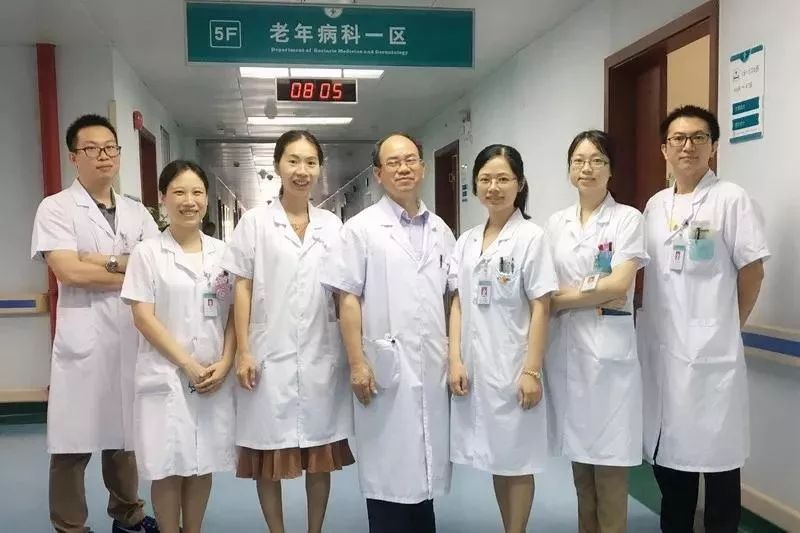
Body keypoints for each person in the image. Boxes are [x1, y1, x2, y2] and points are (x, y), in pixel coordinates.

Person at [639, 105, 769, 532]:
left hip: (712, 355)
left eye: (698, 137)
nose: (687, 146)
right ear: (664, 149)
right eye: (678, 138)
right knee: (671, 464)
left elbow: (753, 270)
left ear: (713, 146)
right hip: (664, 353)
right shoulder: (655, 205)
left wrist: (728, 325)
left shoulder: (731, 198)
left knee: (719, 465)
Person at [30, 114, 160, 533]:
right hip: (83, 341)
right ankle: (70, 525)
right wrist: (126, 266)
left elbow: (154, 269)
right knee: (72, 442)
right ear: (74, 157)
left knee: (124, 437)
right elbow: (69, 272)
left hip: (128, 336)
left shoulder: (137, 211)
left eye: (110, 148)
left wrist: (98, 260)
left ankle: (129, 515)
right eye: (92, 148)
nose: (104, 156)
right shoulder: (55, 208)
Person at [320, 132, 455, 533]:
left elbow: (452, 297)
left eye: (410, 160)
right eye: (393, 162)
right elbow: (347, 299)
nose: (403, 168)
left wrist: (454, 355)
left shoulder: (441, 230)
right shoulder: (361, 229)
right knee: (389, 470)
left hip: (430, 363)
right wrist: (357, 363)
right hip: (382, 366)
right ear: (378, 174)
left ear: (423, 168)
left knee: (425, 467)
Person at [221, 130, 354, 533]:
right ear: (277, 165)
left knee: (320, 454)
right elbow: (242, 287)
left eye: (310, 162)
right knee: (268, 454)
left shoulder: (332, 225)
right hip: (268, 352)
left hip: (319, 351)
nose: (302, 170)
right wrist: (244, 350)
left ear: (319, 168)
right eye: (293, 161)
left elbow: (344, 292)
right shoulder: (255, 223)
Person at [120, 160, 236, 533]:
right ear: (163, 198)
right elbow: (143, 317)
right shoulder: (147, 253)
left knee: (202, 463)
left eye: (197, 192)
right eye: (179, 192)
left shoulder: (224, 253)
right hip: (166, 374)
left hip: (212, 375)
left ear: (207, 198)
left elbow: (234, 314)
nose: (189, 201)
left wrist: (226, 361)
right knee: (167, 465)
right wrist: (187, 364)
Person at [448, 144, 558, 533]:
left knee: (517, 460)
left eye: (503, 179)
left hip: (514, 364)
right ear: (475, 185)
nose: (493, 187)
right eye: (485, 179)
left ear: (519, 184)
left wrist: (531, 371)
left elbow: (542, 305)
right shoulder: (465, 240)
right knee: (498, 458)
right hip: (476, 366)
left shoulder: (531, 237)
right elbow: (458, 302)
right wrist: (455, 359)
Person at [545, 130, 648, 533]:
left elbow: (619, 285)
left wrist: (563, 300)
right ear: (569, 170)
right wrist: (591, 294)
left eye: (597, 160)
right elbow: (545, 288)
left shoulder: (627, 219)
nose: (587, 168)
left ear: (611, 169)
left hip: (610, 363)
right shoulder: (556, 224)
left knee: (610, 469)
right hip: (568, 356)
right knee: (581, 472)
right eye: (579, 161)